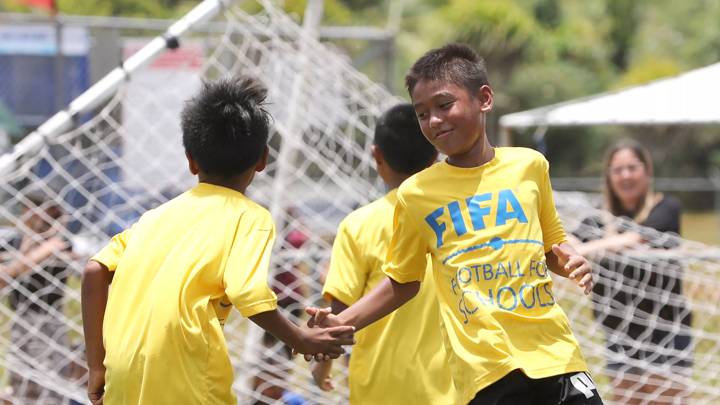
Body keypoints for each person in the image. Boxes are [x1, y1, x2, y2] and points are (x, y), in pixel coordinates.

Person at [306, 43, 603, 405]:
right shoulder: (416, 193)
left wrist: (572, 261)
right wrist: (341, 322)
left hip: (556, 355)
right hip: (488, 371)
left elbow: (551, 244)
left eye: (444, 105)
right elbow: (402, 282)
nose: (433, 120)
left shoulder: (530, 166)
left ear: (485, 99)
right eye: (422, 113)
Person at [81, 76, 355, 405]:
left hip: (123, 382)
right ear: (263, 159)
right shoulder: (249, 217)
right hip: (191, 385)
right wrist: (301, 338)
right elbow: (248, 292)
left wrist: (97, 366)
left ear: (191, 159)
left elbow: (94, 271)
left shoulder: (152, 218)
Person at [311, 103, 456, 404]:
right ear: (436, 157)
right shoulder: (459, 218)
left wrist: (322, 363)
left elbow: (339, 312)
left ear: (377, 155)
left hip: (381, 389)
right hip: (456, 389)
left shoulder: (359, 225)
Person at [569, 138, 692, 405]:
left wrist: (591, 248)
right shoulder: (599, 216)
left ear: (647, 171)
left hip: (664, 328)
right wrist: (582, 247)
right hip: (618, 331)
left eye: (632, 168)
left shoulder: (666, 208)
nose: (625, 176)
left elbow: (637, 238)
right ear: (609, 176)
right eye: (618, 169)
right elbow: (571, 242)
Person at [0, 193, 76, 404]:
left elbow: (17, 269)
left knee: (50, 384)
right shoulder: (14, 241)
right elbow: (6, 275)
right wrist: (30, 242)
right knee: (20, 382)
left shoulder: (60, 242)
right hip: (20, 319)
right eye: (28, 209)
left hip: (48, 321)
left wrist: (47, 242)